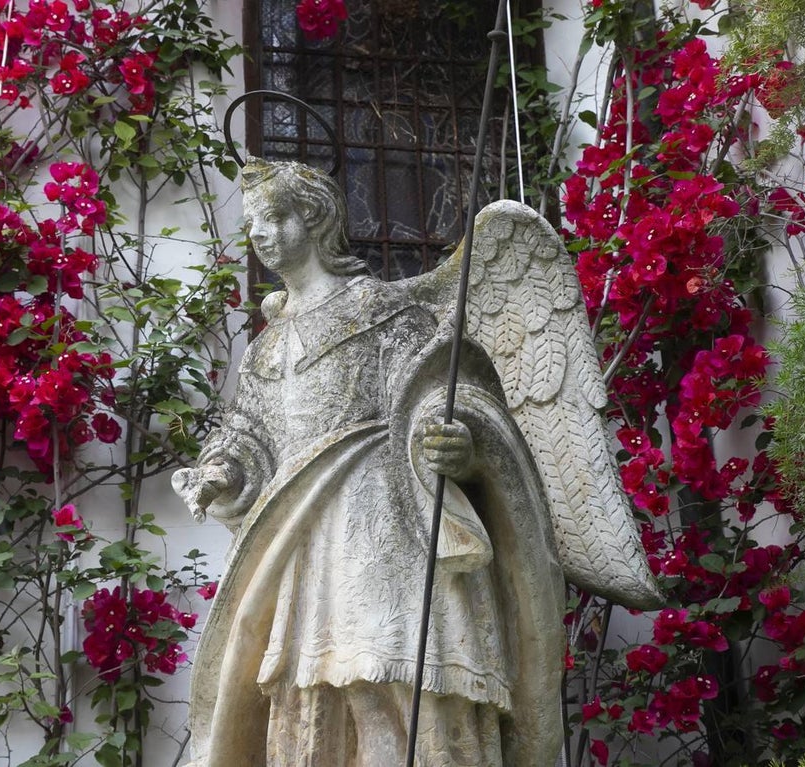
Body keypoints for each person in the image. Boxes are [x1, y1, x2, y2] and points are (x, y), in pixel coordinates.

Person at [172, 158, 566, 766]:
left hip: (385, 527)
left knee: (403, 681)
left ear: (317, 219)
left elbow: (437, 389)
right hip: (305, 542)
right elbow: (250, 434)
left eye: (276, 217)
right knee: (313, 697)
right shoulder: (266, 348)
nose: (261, 234)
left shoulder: (381, 312)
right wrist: (221, 472)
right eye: (253, 224)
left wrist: (455, 439)